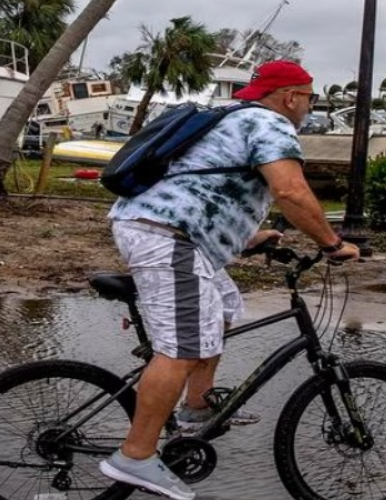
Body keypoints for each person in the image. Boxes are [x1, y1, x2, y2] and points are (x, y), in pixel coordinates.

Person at [98, 60, 358, 500]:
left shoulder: (234, 118)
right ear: (291, 96)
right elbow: (291, 191)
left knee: (222, 310)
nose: (310, 107)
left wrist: (247, 236)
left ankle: (195, 412)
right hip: (165, 235)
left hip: (171, 232)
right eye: (311, 99)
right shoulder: (270, 123)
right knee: (182, 346)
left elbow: (205, 184)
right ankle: (136, 456)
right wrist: (332, 244)